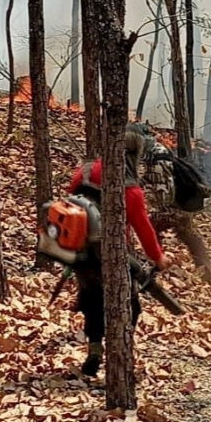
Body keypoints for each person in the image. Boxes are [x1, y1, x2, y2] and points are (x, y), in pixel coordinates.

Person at [66, 125, 169, 377]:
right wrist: (158, 257)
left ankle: (94, 348)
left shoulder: (86, 170)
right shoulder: (130, 188)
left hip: (78, 249)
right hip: (112, 254)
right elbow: (143, 228)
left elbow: (69, 200)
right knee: (130, 306)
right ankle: (119, 354)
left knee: (91, 300)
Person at [140, 135, 211, 282]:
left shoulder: (157, 162)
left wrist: (159, 210)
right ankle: (207, 274)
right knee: (191, 238)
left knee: (149, 226)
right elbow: (152, 178)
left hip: (175, 207)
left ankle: (155, 267)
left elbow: (164, 194)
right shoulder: (157, 150)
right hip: (181, 206)